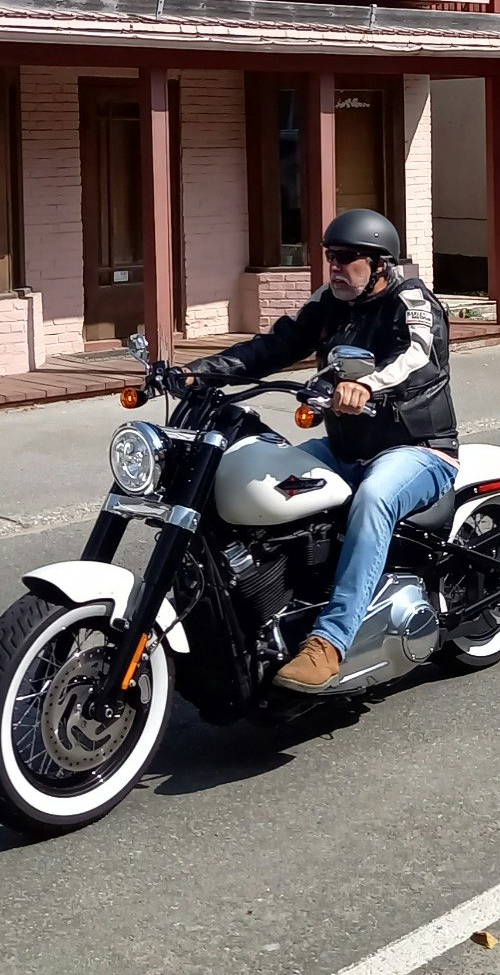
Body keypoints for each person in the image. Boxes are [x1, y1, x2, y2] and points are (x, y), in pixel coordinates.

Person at [185, 208, 459, 695]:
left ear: (380, 263)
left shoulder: (411, 300)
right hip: (344, 447)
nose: (335, 267)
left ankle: (330, 643)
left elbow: (419, 359)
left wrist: (367, 387)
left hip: (417, 449)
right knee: (258, 476)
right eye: (331, 256)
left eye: (348, 258)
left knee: (374, 498)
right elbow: (274, 347)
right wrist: (202, 371)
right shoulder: (329, 302)